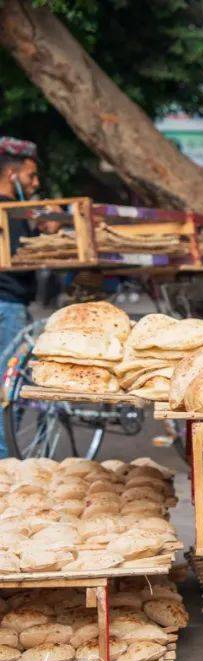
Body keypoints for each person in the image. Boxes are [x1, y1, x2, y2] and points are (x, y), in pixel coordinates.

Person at [0, 137, 42, 458]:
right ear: (12, 175)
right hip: (9, 307)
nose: (36, 183)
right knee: (8, 390)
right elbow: (22, 259)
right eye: (30, 176)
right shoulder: (11, 213)